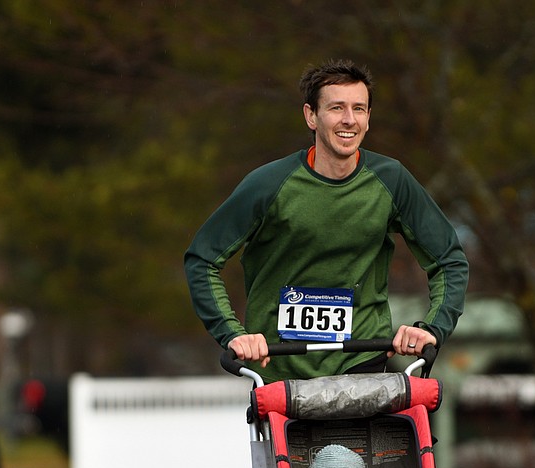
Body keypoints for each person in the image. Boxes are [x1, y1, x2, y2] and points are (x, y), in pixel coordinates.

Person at [184, 59, 469, 382]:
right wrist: (232, 334)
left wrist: (432, 328)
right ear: (311, 116)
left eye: (359, 109)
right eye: (336, 108)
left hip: (362, 360)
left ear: (368, 118)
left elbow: (448, 260)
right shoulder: (267, 185)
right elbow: (202, 260)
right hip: (278, 368)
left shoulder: (392, 180)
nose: (349, 120)